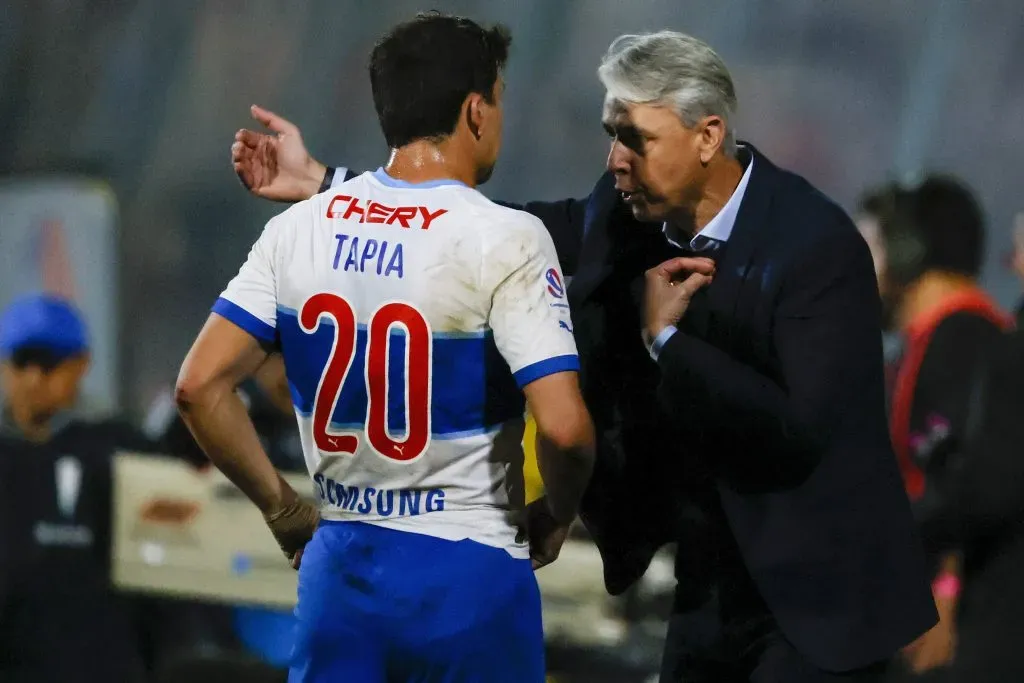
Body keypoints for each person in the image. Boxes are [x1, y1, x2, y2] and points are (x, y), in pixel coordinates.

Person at [230, 29, 938, 683]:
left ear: (707, 136)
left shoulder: (816, 246)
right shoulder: (628, 209)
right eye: (611, 136)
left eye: (634, 138)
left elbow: (800, 433)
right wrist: (329, 182)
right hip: (709, 575)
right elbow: (501, 229)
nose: (614, 160)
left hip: (819, 592)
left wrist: (667, 341)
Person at [177, 12, 595, 683]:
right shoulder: (507, 238)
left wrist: (284, 509)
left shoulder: (297, 230)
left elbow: (198, 387)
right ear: (476, 111)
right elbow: (567, 428)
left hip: (340, 574)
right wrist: (556, 512)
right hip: (471, 575)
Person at [855, 179, 1015, 682]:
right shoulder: (928, 342)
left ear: (908, 252)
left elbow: (965, 482)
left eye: (872, 249)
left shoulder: (965, 340)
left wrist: (945, 589)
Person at [0, 293, 158, 682]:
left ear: (81, 365)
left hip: (101, 661)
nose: (35, 378)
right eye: (23, 362)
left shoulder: (120, 448)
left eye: (50, 363)